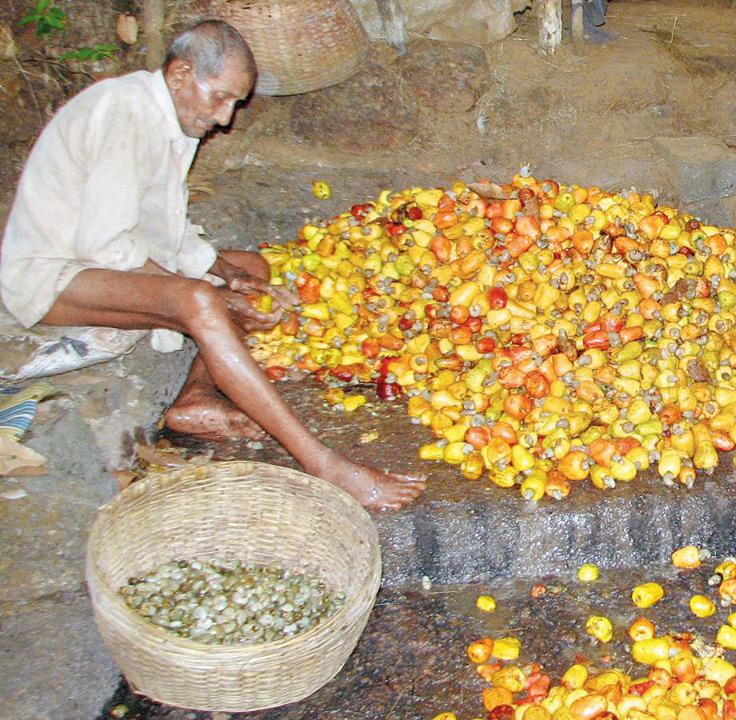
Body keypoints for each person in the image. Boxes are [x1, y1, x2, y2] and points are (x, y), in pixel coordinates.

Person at [0, 20, 425, 511]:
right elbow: (107, 246)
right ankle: (322, 462)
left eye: (234, 104)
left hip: (101, 265)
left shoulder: (171, 120)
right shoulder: (124, 111)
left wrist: (233, 275)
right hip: (51, 274)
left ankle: (195, 399)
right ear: (181, 74)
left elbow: (167, 230)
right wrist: (213, 295)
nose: (224, 119)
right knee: (199, 301)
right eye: (220, 98)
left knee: (252, 268)